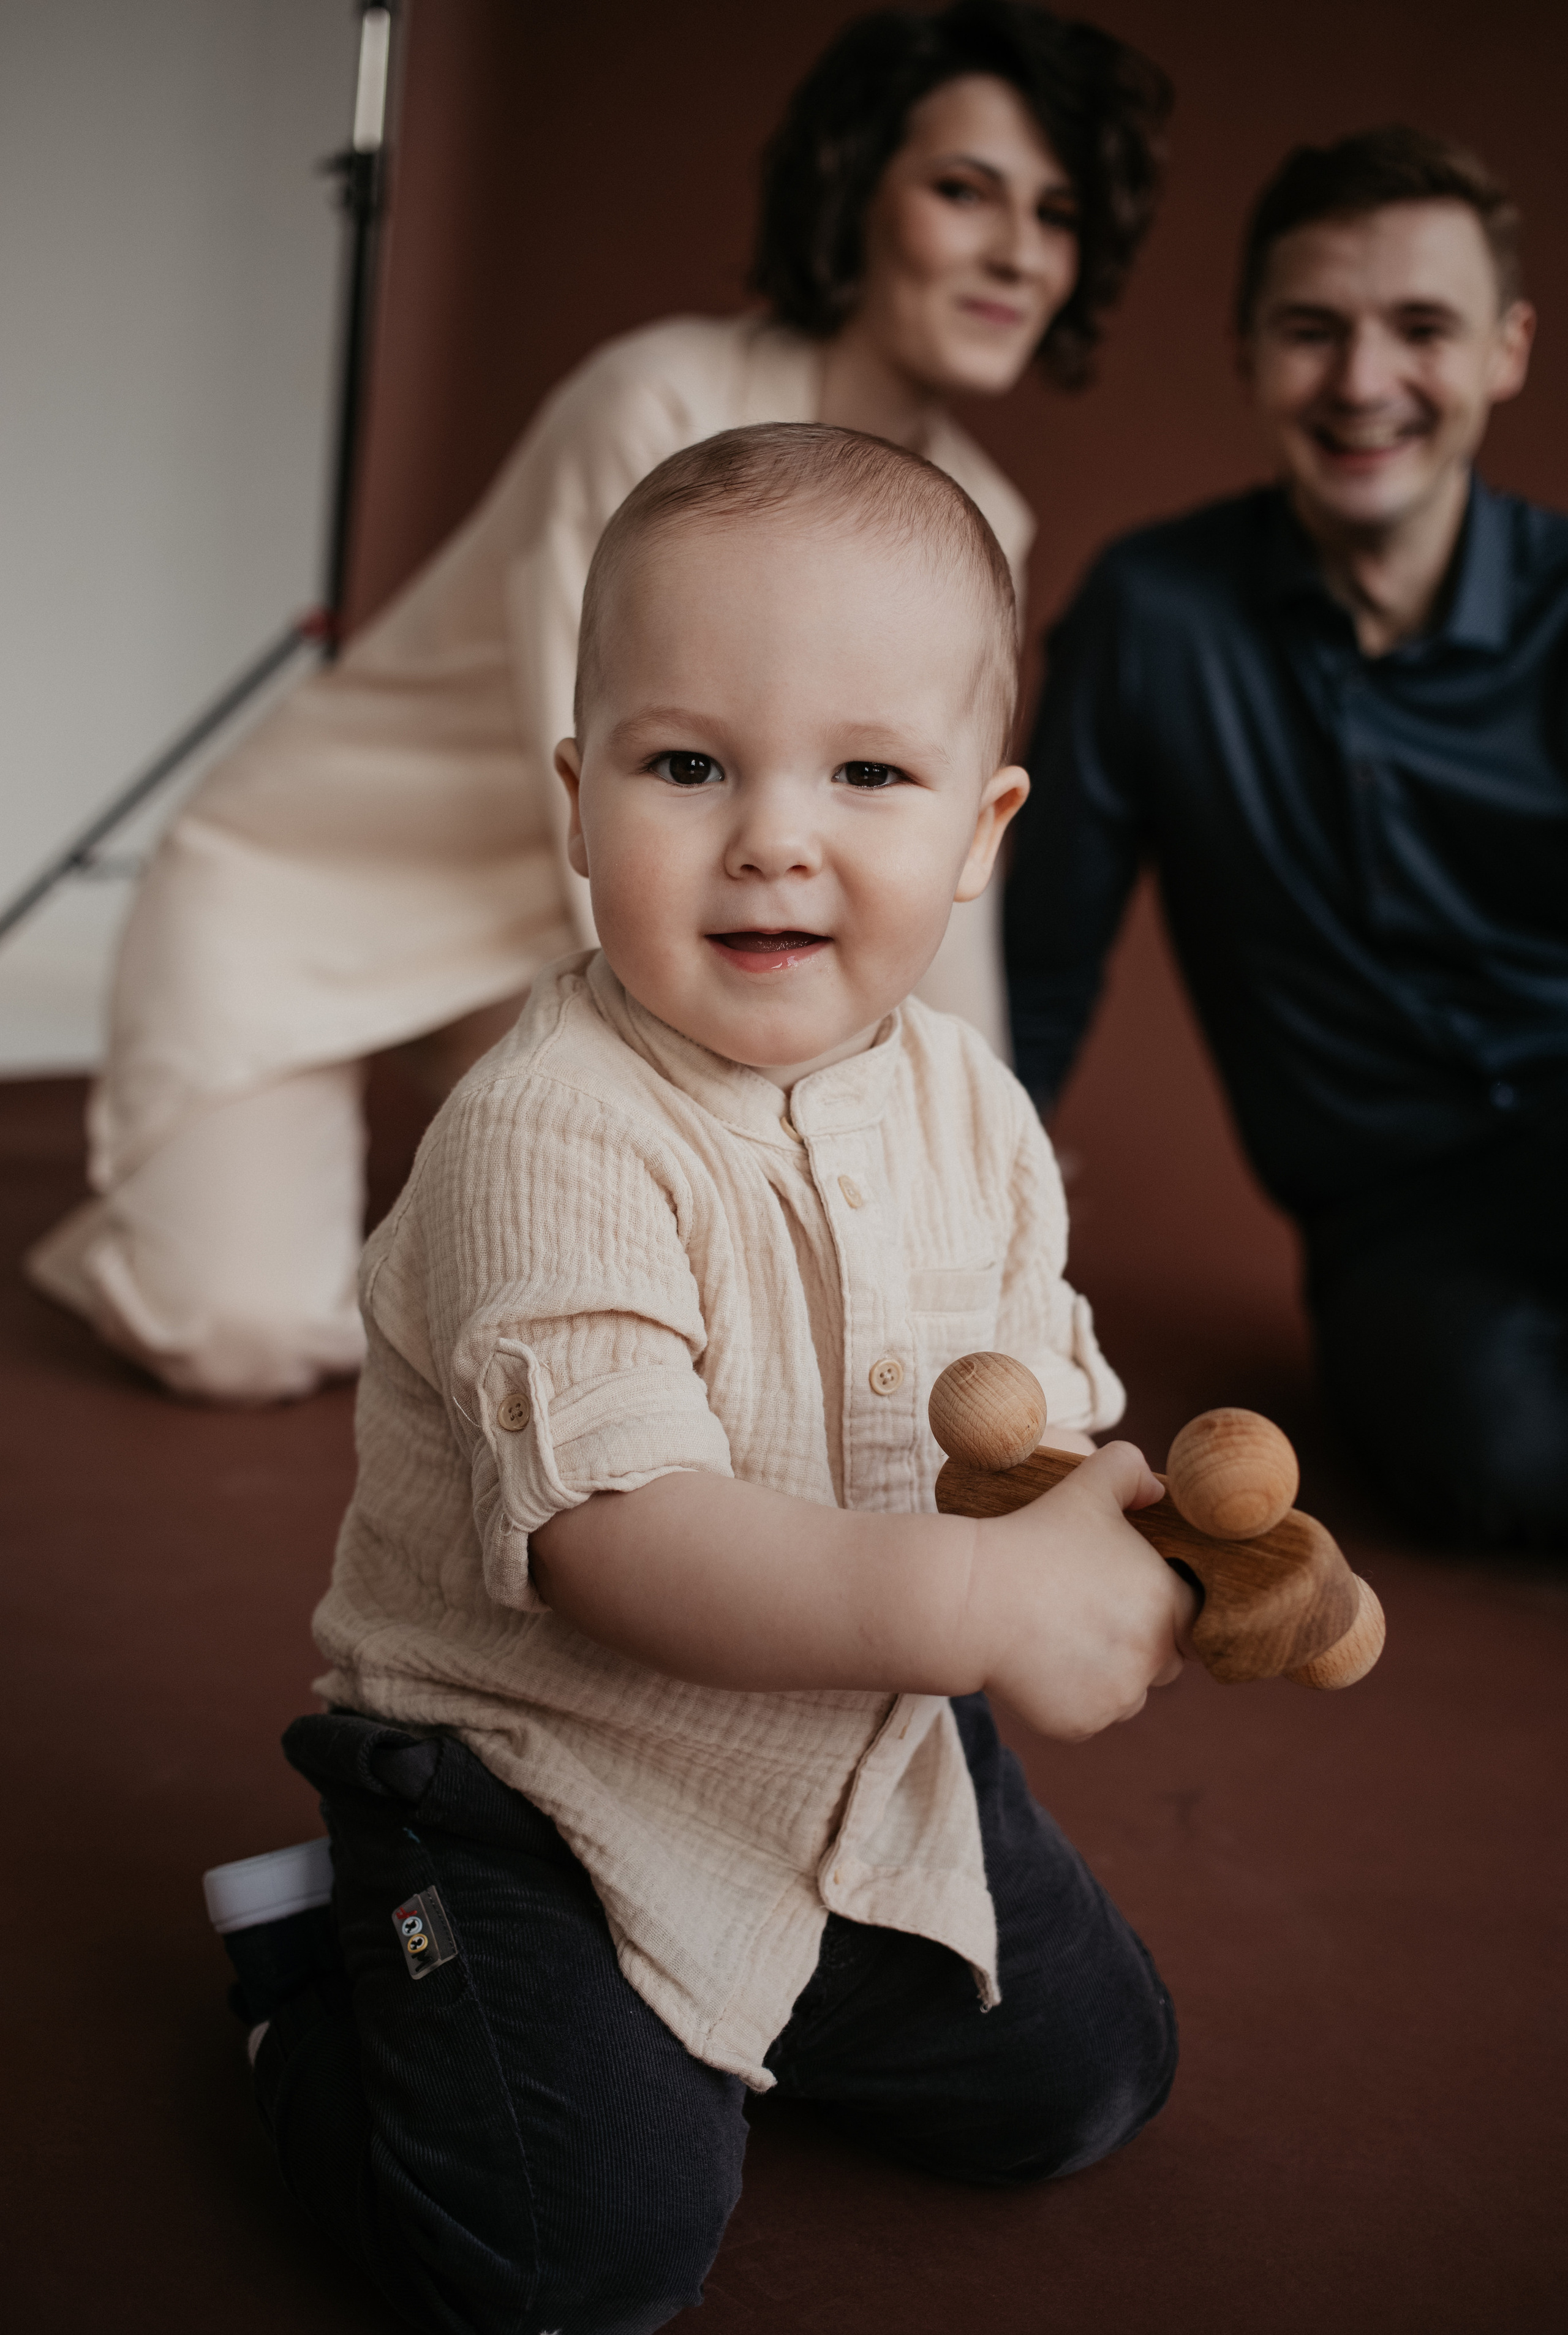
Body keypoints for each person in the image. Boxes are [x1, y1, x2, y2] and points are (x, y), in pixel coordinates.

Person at [209, 424, 1190, 2335]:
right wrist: (985, 1606)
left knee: (1093, 2080)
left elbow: (1025, 1435)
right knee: (569, 2274)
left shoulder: (974, 1111)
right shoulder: (549, 1131)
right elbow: (621, 1542)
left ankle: (738, 2002)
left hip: (849, 1742)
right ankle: (334, 1974)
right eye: (688, 767)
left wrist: (1138, 1541)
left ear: (982, 828)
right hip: (537, 1787)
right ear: (581, 803)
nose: (773, 837)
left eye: (868, 774)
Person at [26, 0, 1169, 1406]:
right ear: (852, 187)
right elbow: (608, 788)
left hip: (571, 936)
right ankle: (157, 1206)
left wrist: (975, 1142)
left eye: (1055, 216)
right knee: (240, 1335)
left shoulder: (982, 516)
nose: (1016, 253)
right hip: (343, 889)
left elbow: (929, 853)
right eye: (963, 191)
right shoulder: (653, 403)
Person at [1005, 126, 1568, 1553]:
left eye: (1419, 328)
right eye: (1312, 330)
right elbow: (1034, 966)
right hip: (1393, 1215)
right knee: (1502, 1462)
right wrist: (961, 1223)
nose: (1361, 382)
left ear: (1504, 350)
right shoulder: (1149, 615)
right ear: (1249, 353)